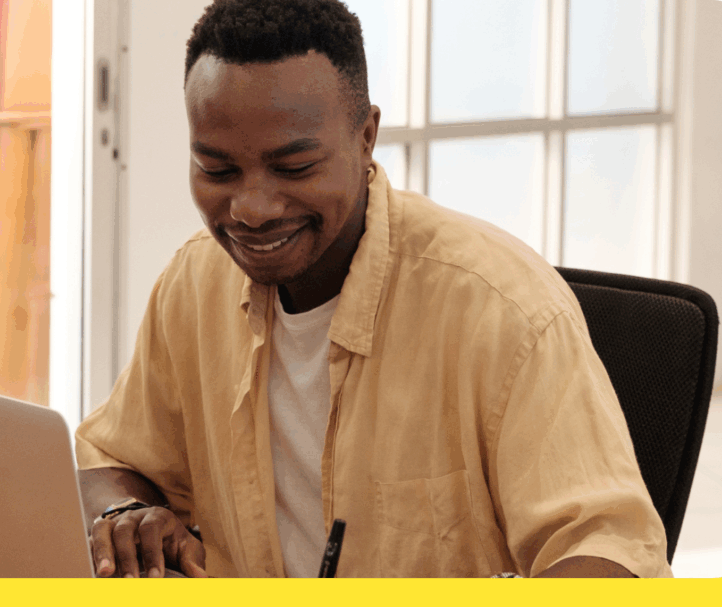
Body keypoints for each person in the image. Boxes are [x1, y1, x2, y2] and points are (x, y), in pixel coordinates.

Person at [74, 0, 672, 579]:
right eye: (217, 170)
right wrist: (124, 512)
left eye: (295, 167)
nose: (251, 210)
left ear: (366, 137)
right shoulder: (194, 283)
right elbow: (111, 458)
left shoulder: (504, 312)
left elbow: (612, 554)